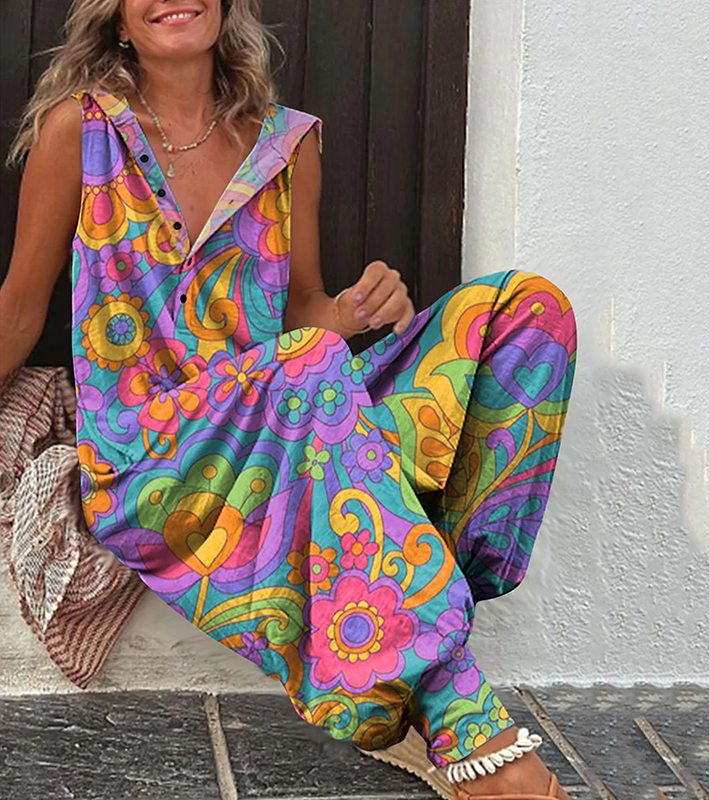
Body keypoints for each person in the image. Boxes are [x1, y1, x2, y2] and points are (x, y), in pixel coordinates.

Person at [0, 2, 577, 798]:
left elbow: (305, 308)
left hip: (281, 418)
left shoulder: (287, 144)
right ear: (119, 18)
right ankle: (463, 724)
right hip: (152, 457)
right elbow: (19, 310)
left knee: (527, 313)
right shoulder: (80, 132)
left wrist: (356, 310)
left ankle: (409, 645)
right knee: (308, 367)